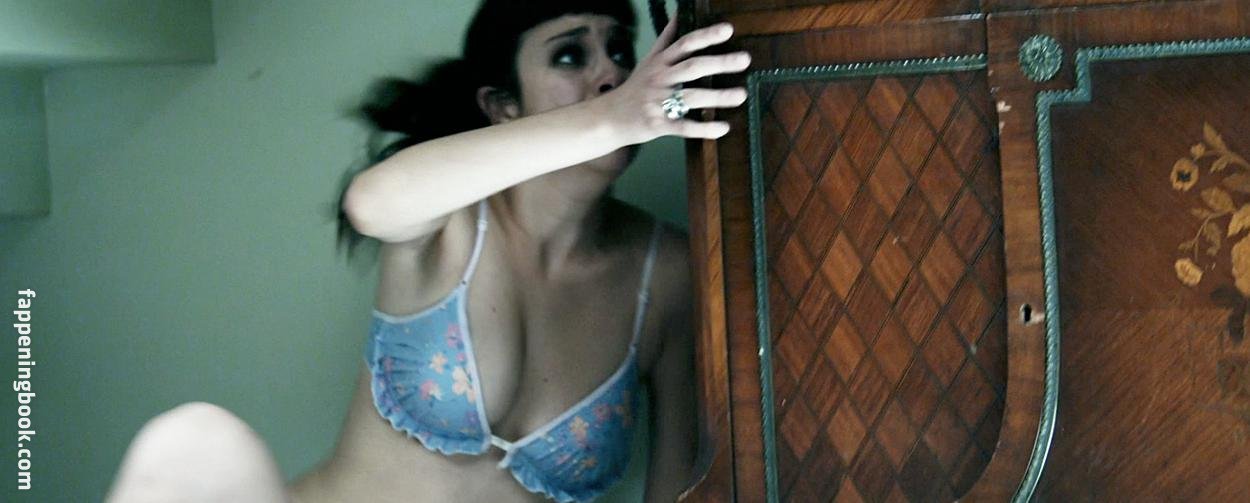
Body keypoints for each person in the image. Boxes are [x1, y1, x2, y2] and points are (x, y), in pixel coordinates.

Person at [104, 0, 748, 501]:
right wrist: (614, 117)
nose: (611, 74)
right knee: (193, 444)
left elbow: (682, 487)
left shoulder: (668, 273)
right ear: (502, 106)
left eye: (620, 50)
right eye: (570, 57)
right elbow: (370, 203)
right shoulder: (451, 220)